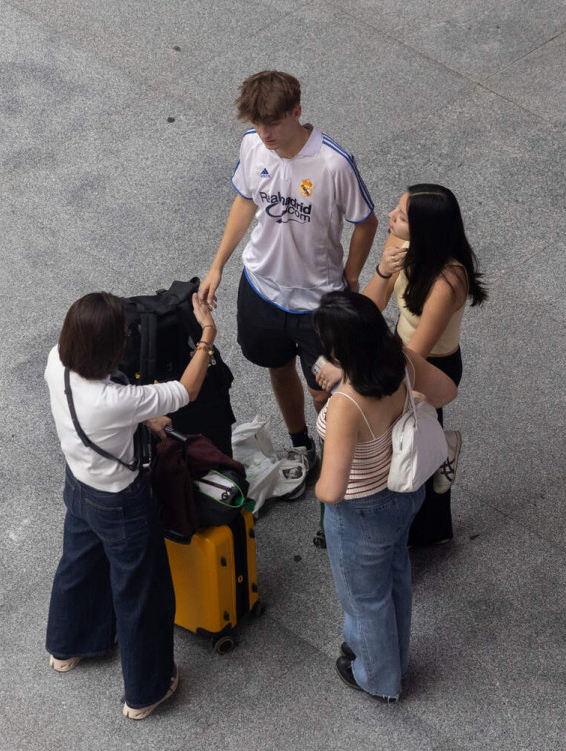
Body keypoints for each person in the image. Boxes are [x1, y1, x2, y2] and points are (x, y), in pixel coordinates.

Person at [199, 71, 379, 490]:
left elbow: (365, 223)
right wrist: (217, 265)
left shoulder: (334, 163)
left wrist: (351, 278)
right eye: (258, 124)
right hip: (261, 287)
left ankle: (338, 469)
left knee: (325, 391)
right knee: (276, 367)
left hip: (318, 303)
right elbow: (245, 200)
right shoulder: (252, 145)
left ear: (297, 112)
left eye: (274, 124)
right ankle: (301, 444)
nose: (265, 134)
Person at [43, 291, 217, 720]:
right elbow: (188, 389)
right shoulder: (116, 401)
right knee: (141, 592)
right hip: (122, 504)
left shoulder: (55, 363)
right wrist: (207, 334)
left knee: (78, 564)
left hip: (79, 487)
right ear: (110, 349)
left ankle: (68, 646)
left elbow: (111, 416)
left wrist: (143, 419)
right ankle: (146, 691)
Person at [317, 184, 486, 545]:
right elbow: (370, 306)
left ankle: (429, 526)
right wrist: (382, 269)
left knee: (415, 440)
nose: (391, 217)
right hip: (397, 347)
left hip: (430, 362)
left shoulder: (448, 280)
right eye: (397, 209)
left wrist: (348, 370)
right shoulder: (398, 244)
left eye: (402, 216)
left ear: (425, 230)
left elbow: (418, 352)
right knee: (400, 435)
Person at [313, 291, 457, 700]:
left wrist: (317, 484)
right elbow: (446, 390)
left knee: (364, 600)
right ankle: (393, 658)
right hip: (405, 494)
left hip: (360, 513)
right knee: (395, 576)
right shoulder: (401, 359)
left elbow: (333, 488)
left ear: (341, 348)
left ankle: (377, 679)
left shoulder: (346, 403)